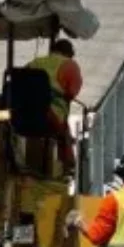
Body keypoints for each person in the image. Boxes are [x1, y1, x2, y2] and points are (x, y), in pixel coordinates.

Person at [26, 38, 83, 169]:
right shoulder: (70, 65)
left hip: (24, 111)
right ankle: (66, 166)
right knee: (64, 132)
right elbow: (72, 93)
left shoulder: (35, 62)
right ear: (69, 53)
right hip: (51, 115)